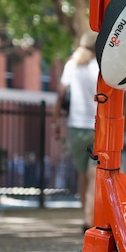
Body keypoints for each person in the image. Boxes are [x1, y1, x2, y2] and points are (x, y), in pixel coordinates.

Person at [53, 32, 100, 231]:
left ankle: (85, 216)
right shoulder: (101, 67)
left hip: (75, 127)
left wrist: (55, 120)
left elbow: (61, 93)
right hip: (97, 127)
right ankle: (91, 218)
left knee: (82, 175)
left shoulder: (72, 65)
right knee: (94, 176)